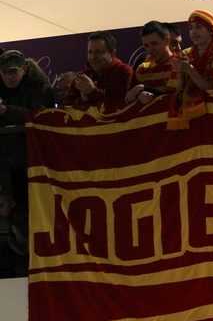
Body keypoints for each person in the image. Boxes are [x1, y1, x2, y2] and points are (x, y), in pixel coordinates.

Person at [0, 50, 56, 214]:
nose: (8, 76)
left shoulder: (40, 87)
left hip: (33, 160)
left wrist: (6, 110)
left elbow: (40, 117)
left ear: (24, 69)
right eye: (4, 72)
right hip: (5, 163)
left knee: (38, 208)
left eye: (13, 71)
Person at [167, 10, 213, 129]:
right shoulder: (185, 54)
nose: (193, 32)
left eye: (199, 27)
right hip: (189, 117)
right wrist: (180, 74)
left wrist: (190, 69)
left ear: (211, 30)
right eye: (191, 28)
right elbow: (176, 94)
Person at [63, 31, 133, 105]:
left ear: (112, 53)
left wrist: (92, 91)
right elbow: (67, 106)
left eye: (98, 52)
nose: (93, 57)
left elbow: (122, 103)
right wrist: (83, 99)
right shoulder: (83, 77)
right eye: (90, 52)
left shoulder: (124, 72)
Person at [125, 20, 177, 104]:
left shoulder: (180, 65)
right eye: (146, 45)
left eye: (154, 44)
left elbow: (176, 98)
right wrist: (139, 94)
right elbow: (130, 98)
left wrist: (143, 88)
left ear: (167, 40)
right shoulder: (142, 68)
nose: (149, 50)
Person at [0, 189, 28, 278]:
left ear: (12, 203)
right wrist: (10, 228)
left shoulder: (26, 220)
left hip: (22, 273)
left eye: (1, 206)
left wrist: (9, 236)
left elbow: (25, 249)